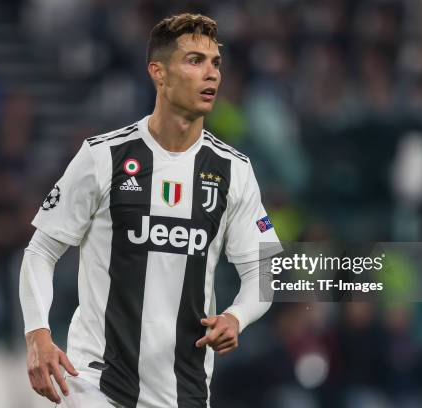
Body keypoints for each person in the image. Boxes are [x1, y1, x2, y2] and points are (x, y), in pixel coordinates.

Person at [19, 13, 282, 408]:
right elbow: (41, 251)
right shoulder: (103, 157)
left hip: (185, 392)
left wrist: (236, 317)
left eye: (216, 63)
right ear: (158, 72)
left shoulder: (233, 170)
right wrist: (38, 334)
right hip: (97, 385)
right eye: (195, 61)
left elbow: (264, 270)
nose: (211, 74)